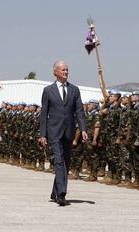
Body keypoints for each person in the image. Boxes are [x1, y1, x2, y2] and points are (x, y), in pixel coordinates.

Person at [39, 60, 87, 206]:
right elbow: (44, 113)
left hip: (69, 132)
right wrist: (42, 134)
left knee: (65, 162)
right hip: (54, 131)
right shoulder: (48, 90)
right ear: (55, 72)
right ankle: (61, 194)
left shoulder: (74, 90)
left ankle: (54, 191)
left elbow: (79, 111)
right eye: (63, 70)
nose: (66, 72)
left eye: (67, 70)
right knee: (59, 161)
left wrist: (83, 129)